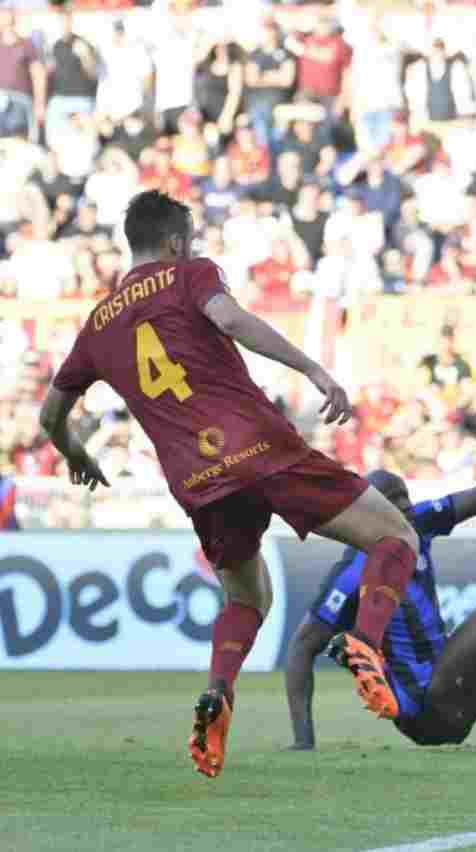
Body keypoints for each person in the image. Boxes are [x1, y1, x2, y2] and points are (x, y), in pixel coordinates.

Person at [38, 190, 422, 779]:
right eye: (186, 240)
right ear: (174, 242)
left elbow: (49, 416)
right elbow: (232, 319)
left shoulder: (98, 323)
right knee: (395, 538)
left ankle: (219, 692)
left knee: (247, 598)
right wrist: (313, 369)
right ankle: (366, 642)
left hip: (195, 479)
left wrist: (77, 453)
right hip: (260, 447)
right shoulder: (191, 275)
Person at [285, 455, 476, 753]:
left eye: (405, 496)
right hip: (427, 706)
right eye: (394, 501)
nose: (405, 506)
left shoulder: (418, 523)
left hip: (452, 684)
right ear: (369, 511)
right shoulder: (354, 571)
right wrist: (304, 740)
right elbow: (302, 647)